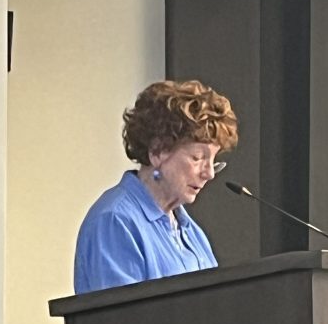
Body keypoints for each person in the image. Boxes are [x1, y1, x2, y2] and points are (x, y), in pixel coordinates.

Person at [74, 79, 238, 294]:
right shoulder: (115, 221)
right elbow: (121, 321)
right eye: (197, 158)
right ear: (158, 152)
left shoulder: (189, 230)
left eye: (213, 161)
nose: (209, 173)